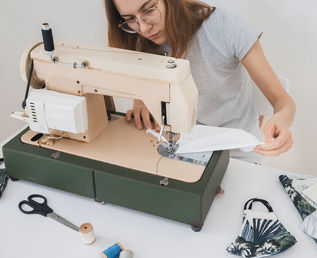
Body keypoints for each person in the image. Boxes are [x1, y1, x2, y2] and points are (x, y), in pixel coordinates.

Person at [104, 0, 296, 163]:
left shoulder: (225, 28)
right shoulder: (137, 41)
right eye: (130, 19)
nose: (143, 28)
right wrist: (141, 101)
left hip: (236, 151)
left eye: (148, 10)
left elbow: (283, 101)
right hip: (184, 146)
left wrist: (282, 120)